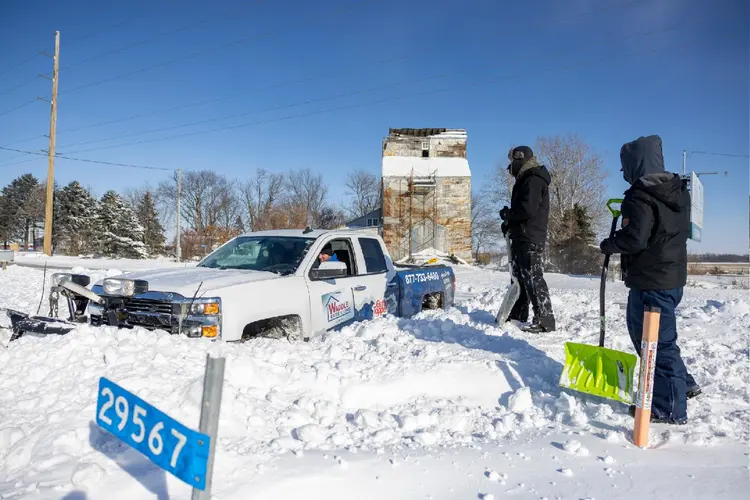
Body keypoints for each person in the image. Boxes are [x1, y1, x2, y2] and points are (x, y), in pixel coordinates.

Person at [599, 134, 700, 425]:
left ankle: (668, 408)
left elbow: (635, 239)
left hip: (650, 282)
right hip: (671, 278)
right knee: (659, 340)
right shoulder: (677, 191)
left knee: (654, 342)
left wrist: (609, 244)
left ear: (635, 164)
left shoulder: (639, 195)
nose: (623, 173)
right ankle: (682, 383)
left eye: (625, 166)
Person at [499, 145, 556, 333]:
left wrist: (509, 214)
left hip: (530, 236)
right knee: (520, 278)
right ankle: (518, 314)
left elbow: (527, 210)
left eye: (512, 162)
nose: (510, 168)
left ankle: (545, 320)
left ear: (519, 159)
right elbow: (522, 211)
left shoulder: (533, 180)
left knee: (532, 277)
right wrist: (509, 222)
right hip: (521, 234)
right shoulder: (526, 179)